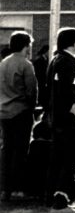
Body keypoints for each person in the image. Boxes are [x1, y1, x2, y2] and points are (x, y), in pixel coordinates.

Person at [46, 27, 75, 213]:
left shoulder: (55, 58)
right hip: (67, 116)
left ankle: (52, 197)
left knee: (56, 158)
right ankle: (60, 202)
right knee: (68, 159)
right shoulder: (70, 61)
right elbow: (67, 90)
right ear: (72, 42)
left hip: (55, 116)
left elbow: (52, 89)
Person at [0, 31, 37, 202]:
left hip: (4, 112)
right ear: (26, 45)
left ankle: (5, 189)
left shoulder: (3, 63)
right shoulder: (26, 64)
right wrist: (32, 108)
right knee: (21, 151)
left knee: (6, 150)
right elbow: (31, 91)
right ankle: (18, 189)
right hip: (21, 111)